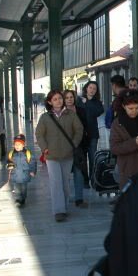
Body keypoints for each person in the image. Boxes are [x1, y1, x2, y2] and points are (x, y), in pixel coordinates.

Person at [36, 90, 84, 222]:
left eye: (60, 98)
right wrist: (44, 148)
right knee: (56, 182)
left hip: (68, 154)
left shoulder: (71, 115)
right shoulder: (45, 117)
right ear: (50, 102)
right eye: (55, 99)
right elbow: (39, 134)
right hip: (51, 155)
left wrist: (73, 144)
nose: (59, 101)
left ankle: (64, 206)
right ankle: (59, 210)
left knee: (65, 183)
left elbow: (79, 130)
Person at [64, 89, 89, 208]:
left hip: (78, 147)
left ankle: (79, 199)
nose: (69, 99)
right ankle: (64, 198)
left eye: (71, 97)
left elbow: (85, 127)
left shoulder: (81, 111)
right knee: (65, 174)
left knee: (78, 172)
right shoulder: (60, 113)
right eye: (67, 97)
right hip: (64, 148)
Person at [81, 81, 105, 183]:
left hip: (93, 134)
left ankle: (92, 178)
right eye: (90, 88)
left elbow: (97, 112)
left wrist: (87, 102)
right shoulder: (79, 101)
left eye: (94, 89)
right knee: (82, 159)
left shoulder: (97, 103)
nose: (92, 90)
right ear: (86, 88)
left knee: (92, 158)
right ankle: (85, 180)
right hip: (81, 134)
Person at [6, 134, 36, 207]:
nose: (17, 146)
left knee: (23, 189)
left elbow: (32, 162)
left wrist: (32, 171)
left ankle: (23, 198)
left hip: (24, 175)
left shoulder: (27, 153)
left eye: (19, 144)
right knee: (16, 189)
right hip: (15, 175)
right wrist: (9, 166)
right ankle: (18, 199)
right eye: (15, 144)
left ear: (23, 145)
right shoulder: (12, 153)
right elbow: (9, 162)